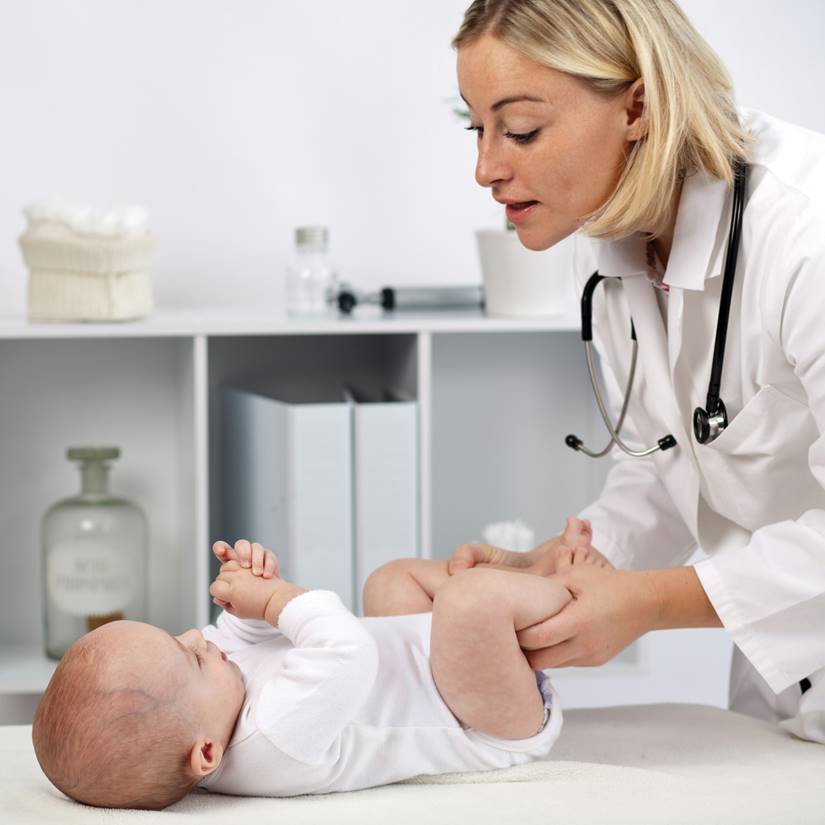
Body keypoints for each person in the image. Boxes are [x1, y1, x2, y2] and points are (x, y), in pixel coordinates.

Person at [449, 0, 825, 743]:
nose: (486, 168)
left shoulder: (805, 237)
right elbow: (667, 459)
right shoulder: (621, 243)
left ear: (638, 105)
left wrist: (646, 603)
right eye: (477, 128)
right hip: (785, 696)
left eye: (520, 129)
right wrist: (563, 568)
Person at [30, 522, 597, 810]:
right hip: (483, 720)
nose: (195, 636)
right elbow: (349, 654)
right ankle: (576, 589)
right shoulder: (271, 745)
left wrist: (247, 598)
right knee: (469, 602)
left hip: (427, 664)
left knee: (388, 581)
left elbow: (247, 641)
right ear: (205, 754)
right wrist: (278, 600)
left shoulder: (212, 707)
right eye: (192, 656)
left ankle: (523, 580)